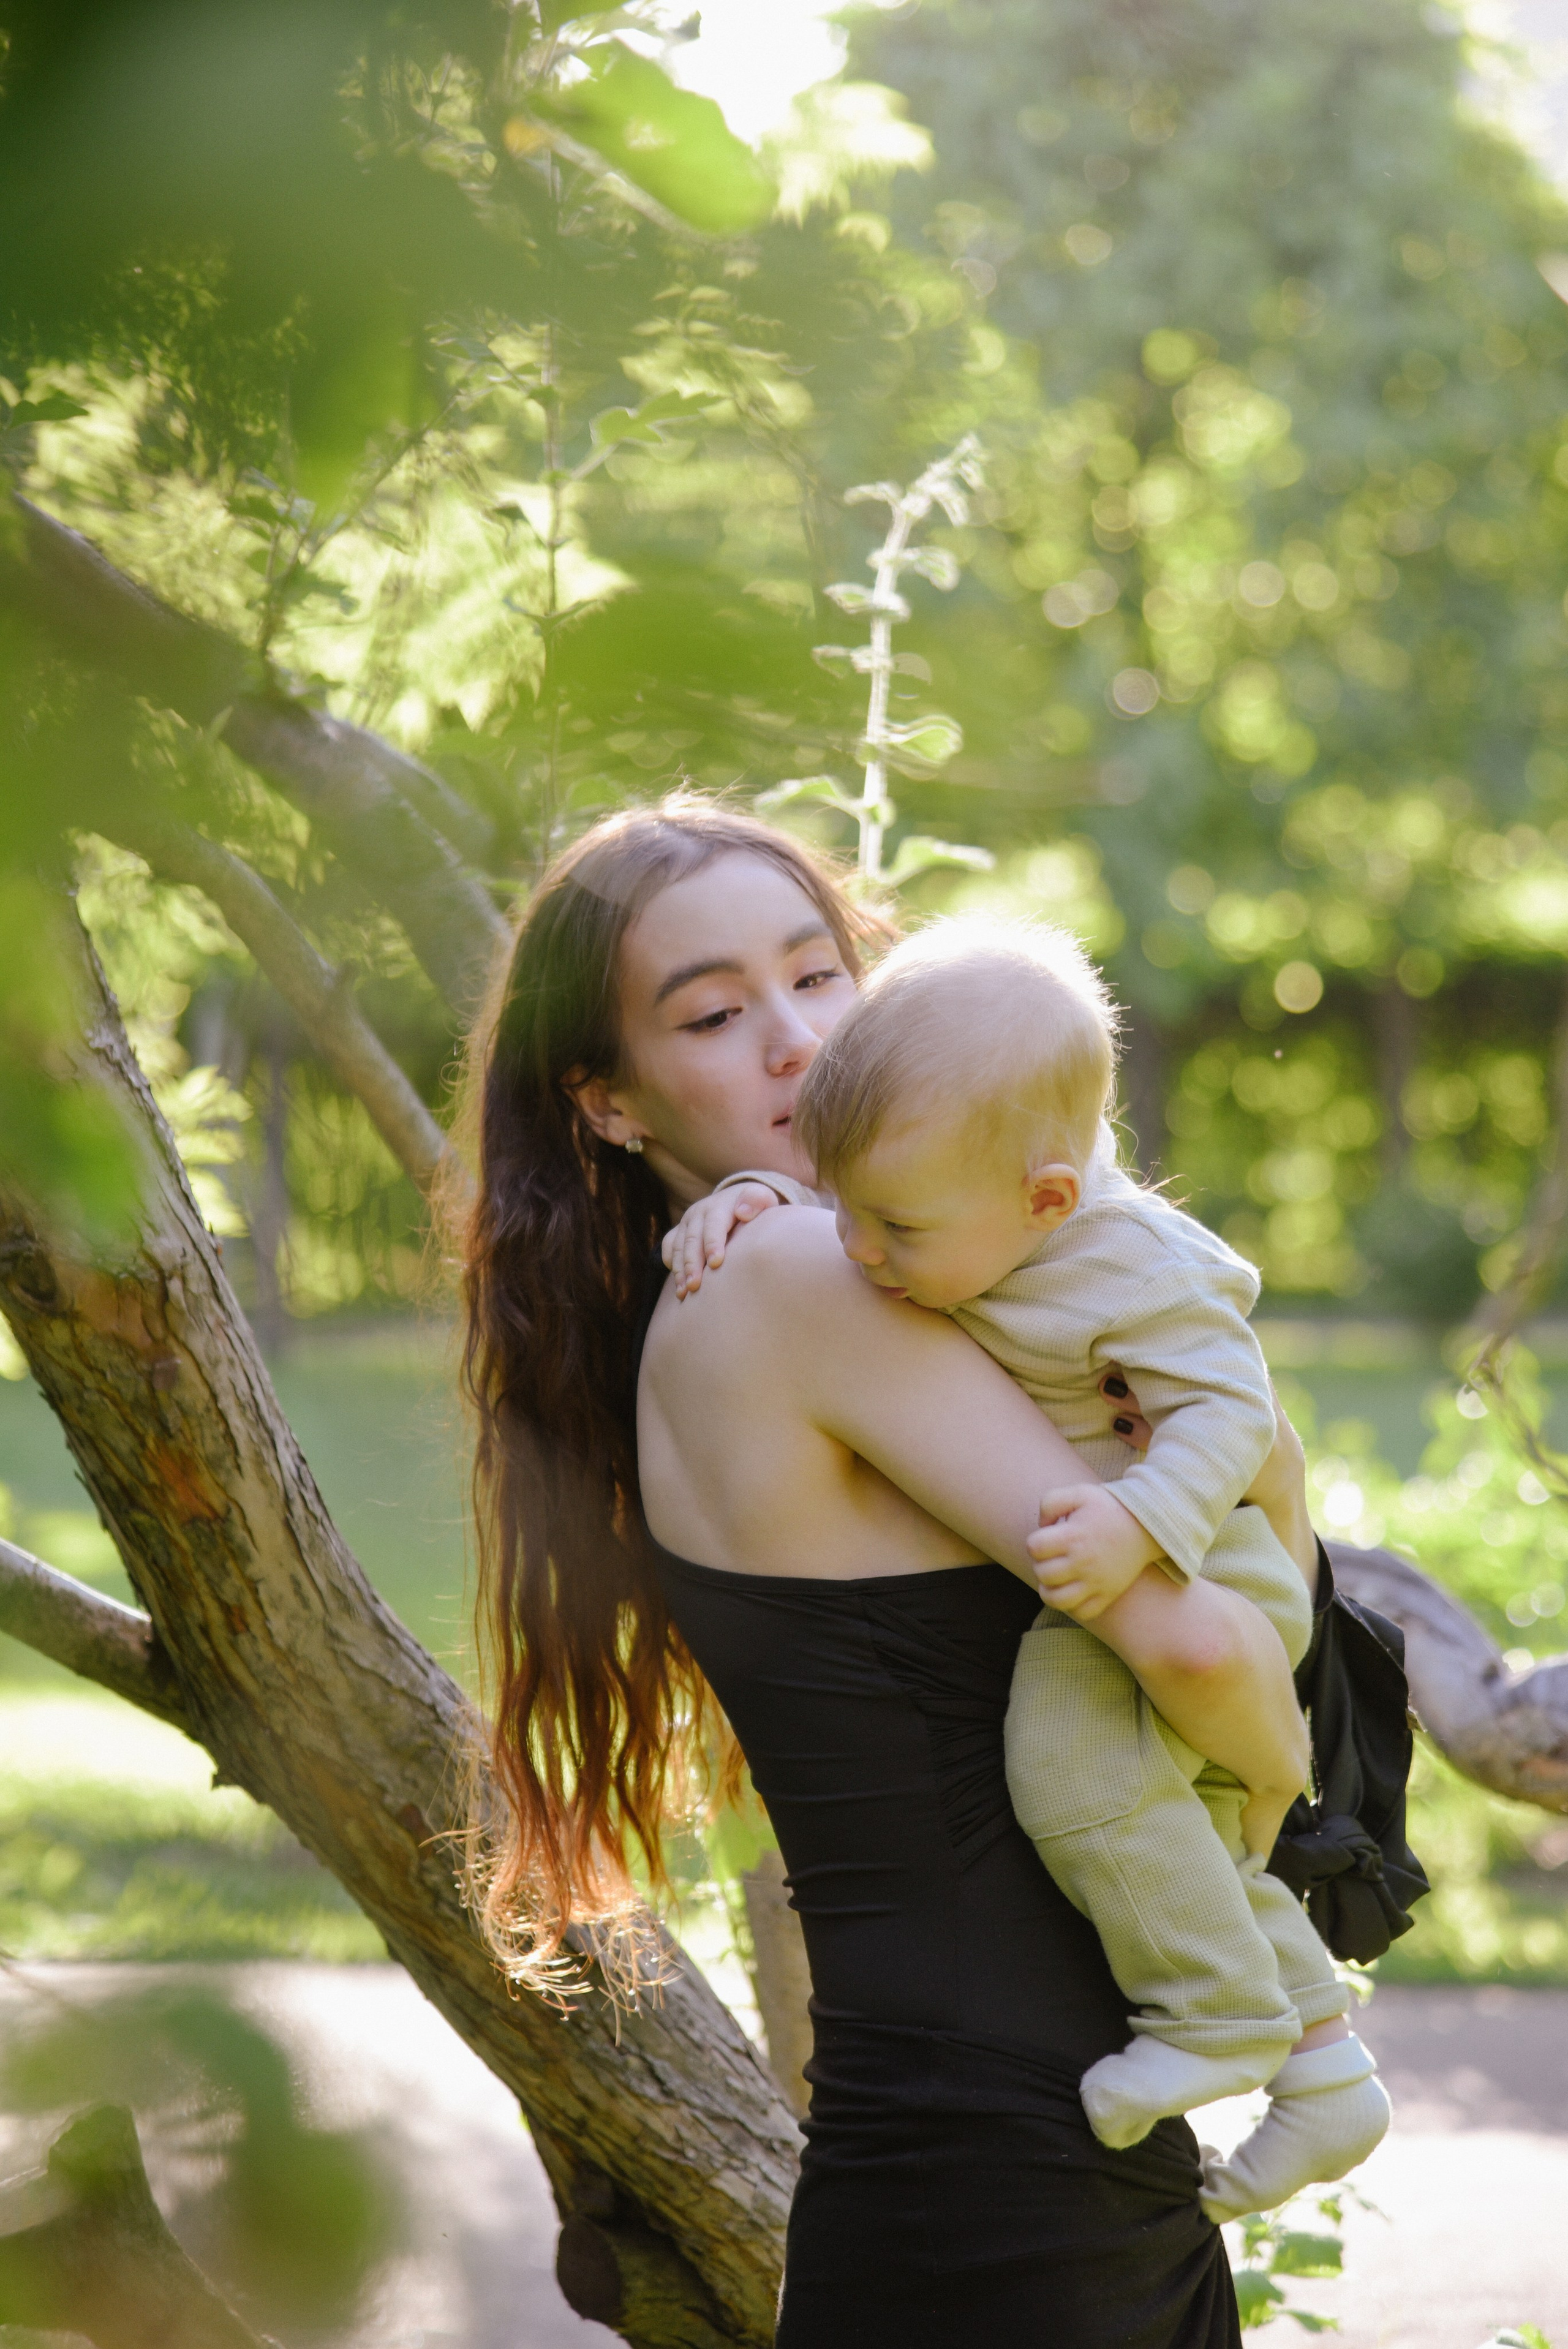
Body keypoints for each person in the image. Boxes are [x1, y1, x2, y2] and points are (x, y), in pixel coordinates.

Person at [461, 796, 1313, 2346]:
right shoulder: (793, 1280)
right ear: (608, 1103)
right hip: (1016, 2183)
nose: (793, 1040)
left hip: (973, 2151)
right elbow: (1206, 1644)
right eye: (715, 1013)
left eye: (819, 975)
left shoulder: (817, 1263)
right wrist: (1276, 1783)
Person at [669, 917, 1389, 2223]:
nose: (857, 1255)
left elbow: (1234, 1421)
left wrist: (1139, 1525)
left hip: (1189, 1545)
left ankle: (1216, 2017)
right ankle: (1320, 2064)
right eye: (839, 1212)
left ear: (1046, 1200)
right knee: (1164, 1824)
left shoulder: (1126, 1259)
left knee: (1071, 1767)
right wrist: (755, 1196)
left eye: (886, 1226)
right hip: (1146, 1549)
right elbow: (862, 1222)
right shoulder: (951, 1193)